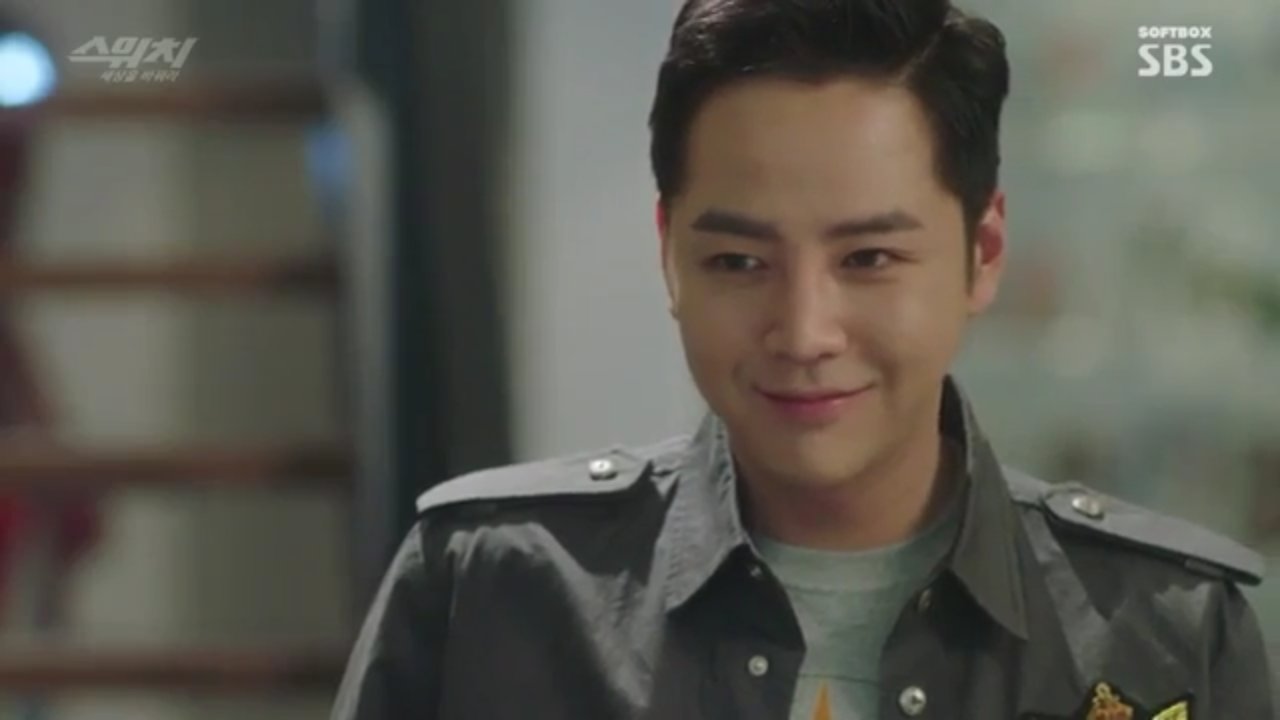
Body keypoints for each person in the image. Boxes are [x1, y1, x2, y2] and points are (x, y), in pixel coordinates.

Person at [330, 0, 1275, 717]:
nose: (804, 331)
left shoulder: (1165, 628)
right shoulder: (490, 590)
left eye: (869, 259)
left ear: (982, 253)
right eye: (739, 262)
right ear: (669, 254)